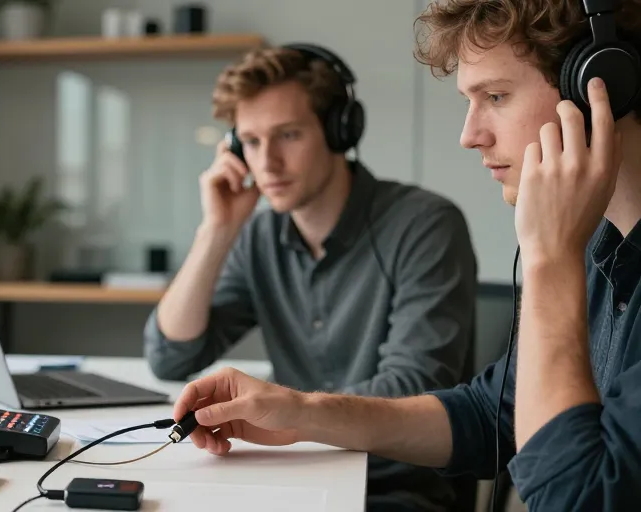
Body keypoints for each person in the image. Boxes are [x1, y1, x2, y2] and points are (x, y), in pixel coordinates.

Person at [171, 1, 641, 510]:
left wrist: (550, 258)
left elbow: (577, 499)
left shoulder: (562, 252)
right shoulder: (600, 252)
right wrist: (299, 412)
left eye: (497, 96)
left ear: (603, 85)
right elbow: (488, 416)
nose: (469, 136)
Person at [142, 44, 479, 511]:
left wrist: (286, 410)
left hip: (387, 486)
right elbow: (169, 357)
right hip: (290, 475)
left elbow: (413, 388)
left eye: (288, 135)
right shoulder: (259, 235)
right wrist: (215, 231)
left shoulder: (425, 225)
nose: (267, 163)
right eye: (252, 142)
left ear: (340, 131)